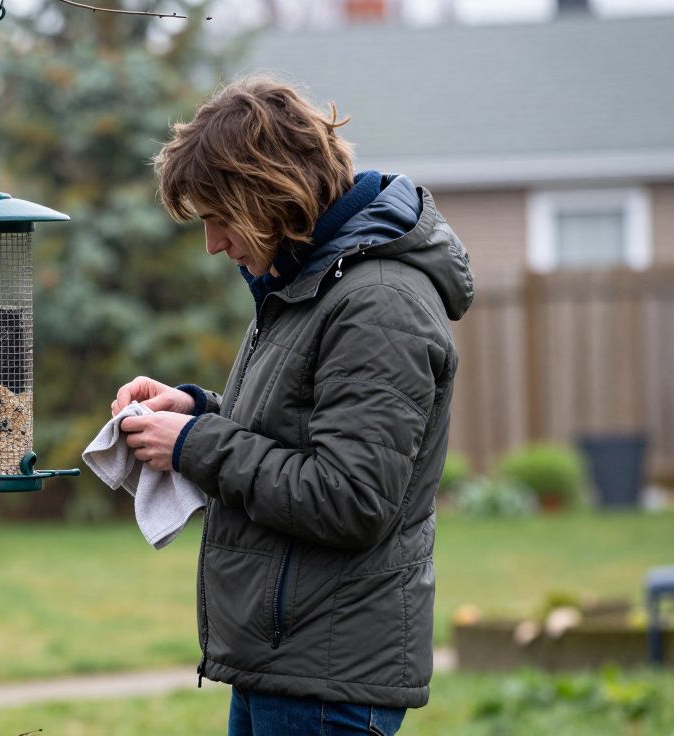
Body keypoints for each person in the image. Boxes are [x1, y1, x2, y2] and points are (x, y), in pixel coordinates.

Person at [110, 76, 473, 735]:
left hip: (325, 682)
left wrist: (194, 445)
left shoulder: (379, 302)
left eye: (219, 216)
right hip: (284, 664)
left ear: (269, 193)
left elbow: (350, 495)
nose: (213, 242)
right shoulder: (311, 280)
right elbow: (298, 428)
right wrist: (193, 410)